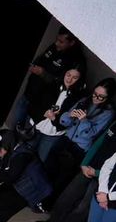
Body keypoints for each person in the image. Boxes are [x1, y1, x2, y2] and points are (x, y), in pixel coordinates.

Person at [36, 119, 116, 222]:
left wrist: (97, 173)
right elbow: (98, 144)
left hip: (105, 179)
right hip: (89, 168)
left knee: (83, 206)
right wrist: (84, 163)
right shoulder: (114, 124)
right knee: (68, 196)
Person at [43, 78, 116, 207]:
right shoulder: (85, 100)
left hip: (79, 148)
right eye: (95, 94)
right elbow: (64, 120)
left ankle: (48, 204)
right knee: (49, 168)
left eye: (101, 97)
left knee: (62, 178)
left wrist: (84, 121)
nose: (96, 98)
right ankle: (38, 196)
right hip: (66, 139)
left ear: (108, 98)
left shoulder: (108, 112)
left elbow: (92, 134)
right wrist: (70, 115)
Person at [14, 27, 86, 126]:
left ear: (72, 43)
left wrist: (43, 73)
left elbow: (63, 83)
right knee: (17, 121)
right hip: (30, 91)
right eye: (57, 39)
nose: (56, 43)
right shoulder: (55, 47)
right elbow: (41, 58)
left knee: (29, 127)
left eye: (61, 41)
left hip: (43, 101)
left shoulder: (75, 61)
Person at [29, 67, 84, 163]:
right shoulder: (51, 85)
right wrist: (43, 112)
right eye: (68, 75)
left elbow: (68, 123)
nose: (69, 79)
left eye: (75, 77)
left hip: (52, 134)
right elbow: (33, 103)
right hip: (35, 126)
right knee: (23, 155)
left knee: (38, 162)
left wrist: (55, 118)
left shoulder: (78, 98)